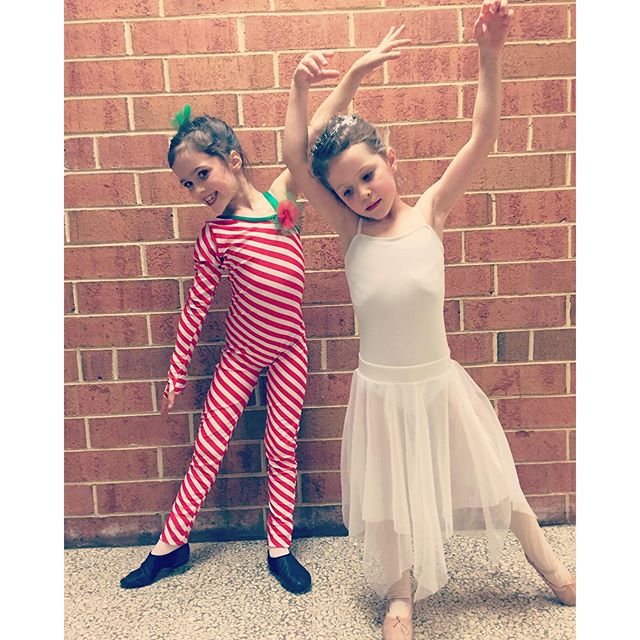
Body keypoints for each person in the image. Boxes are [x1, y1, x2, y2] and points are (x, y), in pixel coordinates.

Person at [282, 3, 575, 638]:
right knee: (389, 504)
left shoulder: (431, 213)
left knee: (497, 484)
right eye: (348, 190)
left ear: (389, 159)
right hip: (381, 393)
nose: (363, 194)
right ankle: (399, 596)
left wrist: (489, 57)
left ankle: (552, 570)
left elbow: (483, 135)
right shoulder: (350, 230)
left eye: (368, 176)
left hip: (439, 385)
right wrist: (314, 86)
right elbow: (296, 159)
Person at [119, 32, 410, 596]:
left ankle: (280, 547)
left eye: (202, 175)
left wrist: (330, 81)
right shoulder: (215, 235)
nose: (195, 189)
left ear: (232, 161)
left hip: (289, 351)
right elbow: (197, 307)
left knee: (282, 447)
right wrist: (178, 371)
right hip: (240, 355)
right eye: (186, 184)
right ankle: (170, 545)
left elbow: (307, 141)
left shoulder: (281, 203)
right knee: (209, 448)